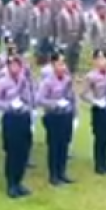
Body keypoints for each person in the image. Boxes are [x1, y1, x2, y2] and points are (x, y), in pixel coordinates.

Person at [0, 54, 34, 198]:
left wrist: (26, 104)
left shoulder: (24, 81)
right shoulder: (2, 82)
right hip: (11, 119)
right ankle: (11, 184)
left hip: (23, 117)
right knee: (12, 153)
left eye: (17, 65)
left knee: (24, 152)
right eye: (12, 65)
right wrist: (9, 105)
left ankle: (19, 181)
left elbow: (30, 98)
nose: (15, 68)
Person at [36, 52, 76, 185]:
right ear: (53, 65)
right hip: (53, 116)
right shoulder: (47, 82)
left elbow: (71, 95)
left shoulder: (67, 79)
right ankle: (53, 175)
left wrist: (72, 109)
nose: (63, 67)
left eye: (64, 63)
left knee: (64, 144)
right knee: (54, 146)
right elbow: (39, 99)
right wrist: (54, 103)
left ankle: (62, 172)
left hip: (66, 115)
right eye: (60, 64)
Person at [82, 50, 106, 174]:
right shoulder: (91, 76)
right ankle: (99, 164)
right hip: (98, 109)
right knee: (99, 137)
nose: (103, 62)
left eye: (105, 59)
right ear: (95, 61)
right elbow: (84, 94)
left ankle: (105, 161)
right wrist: (95, 101)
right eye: (100, 59)